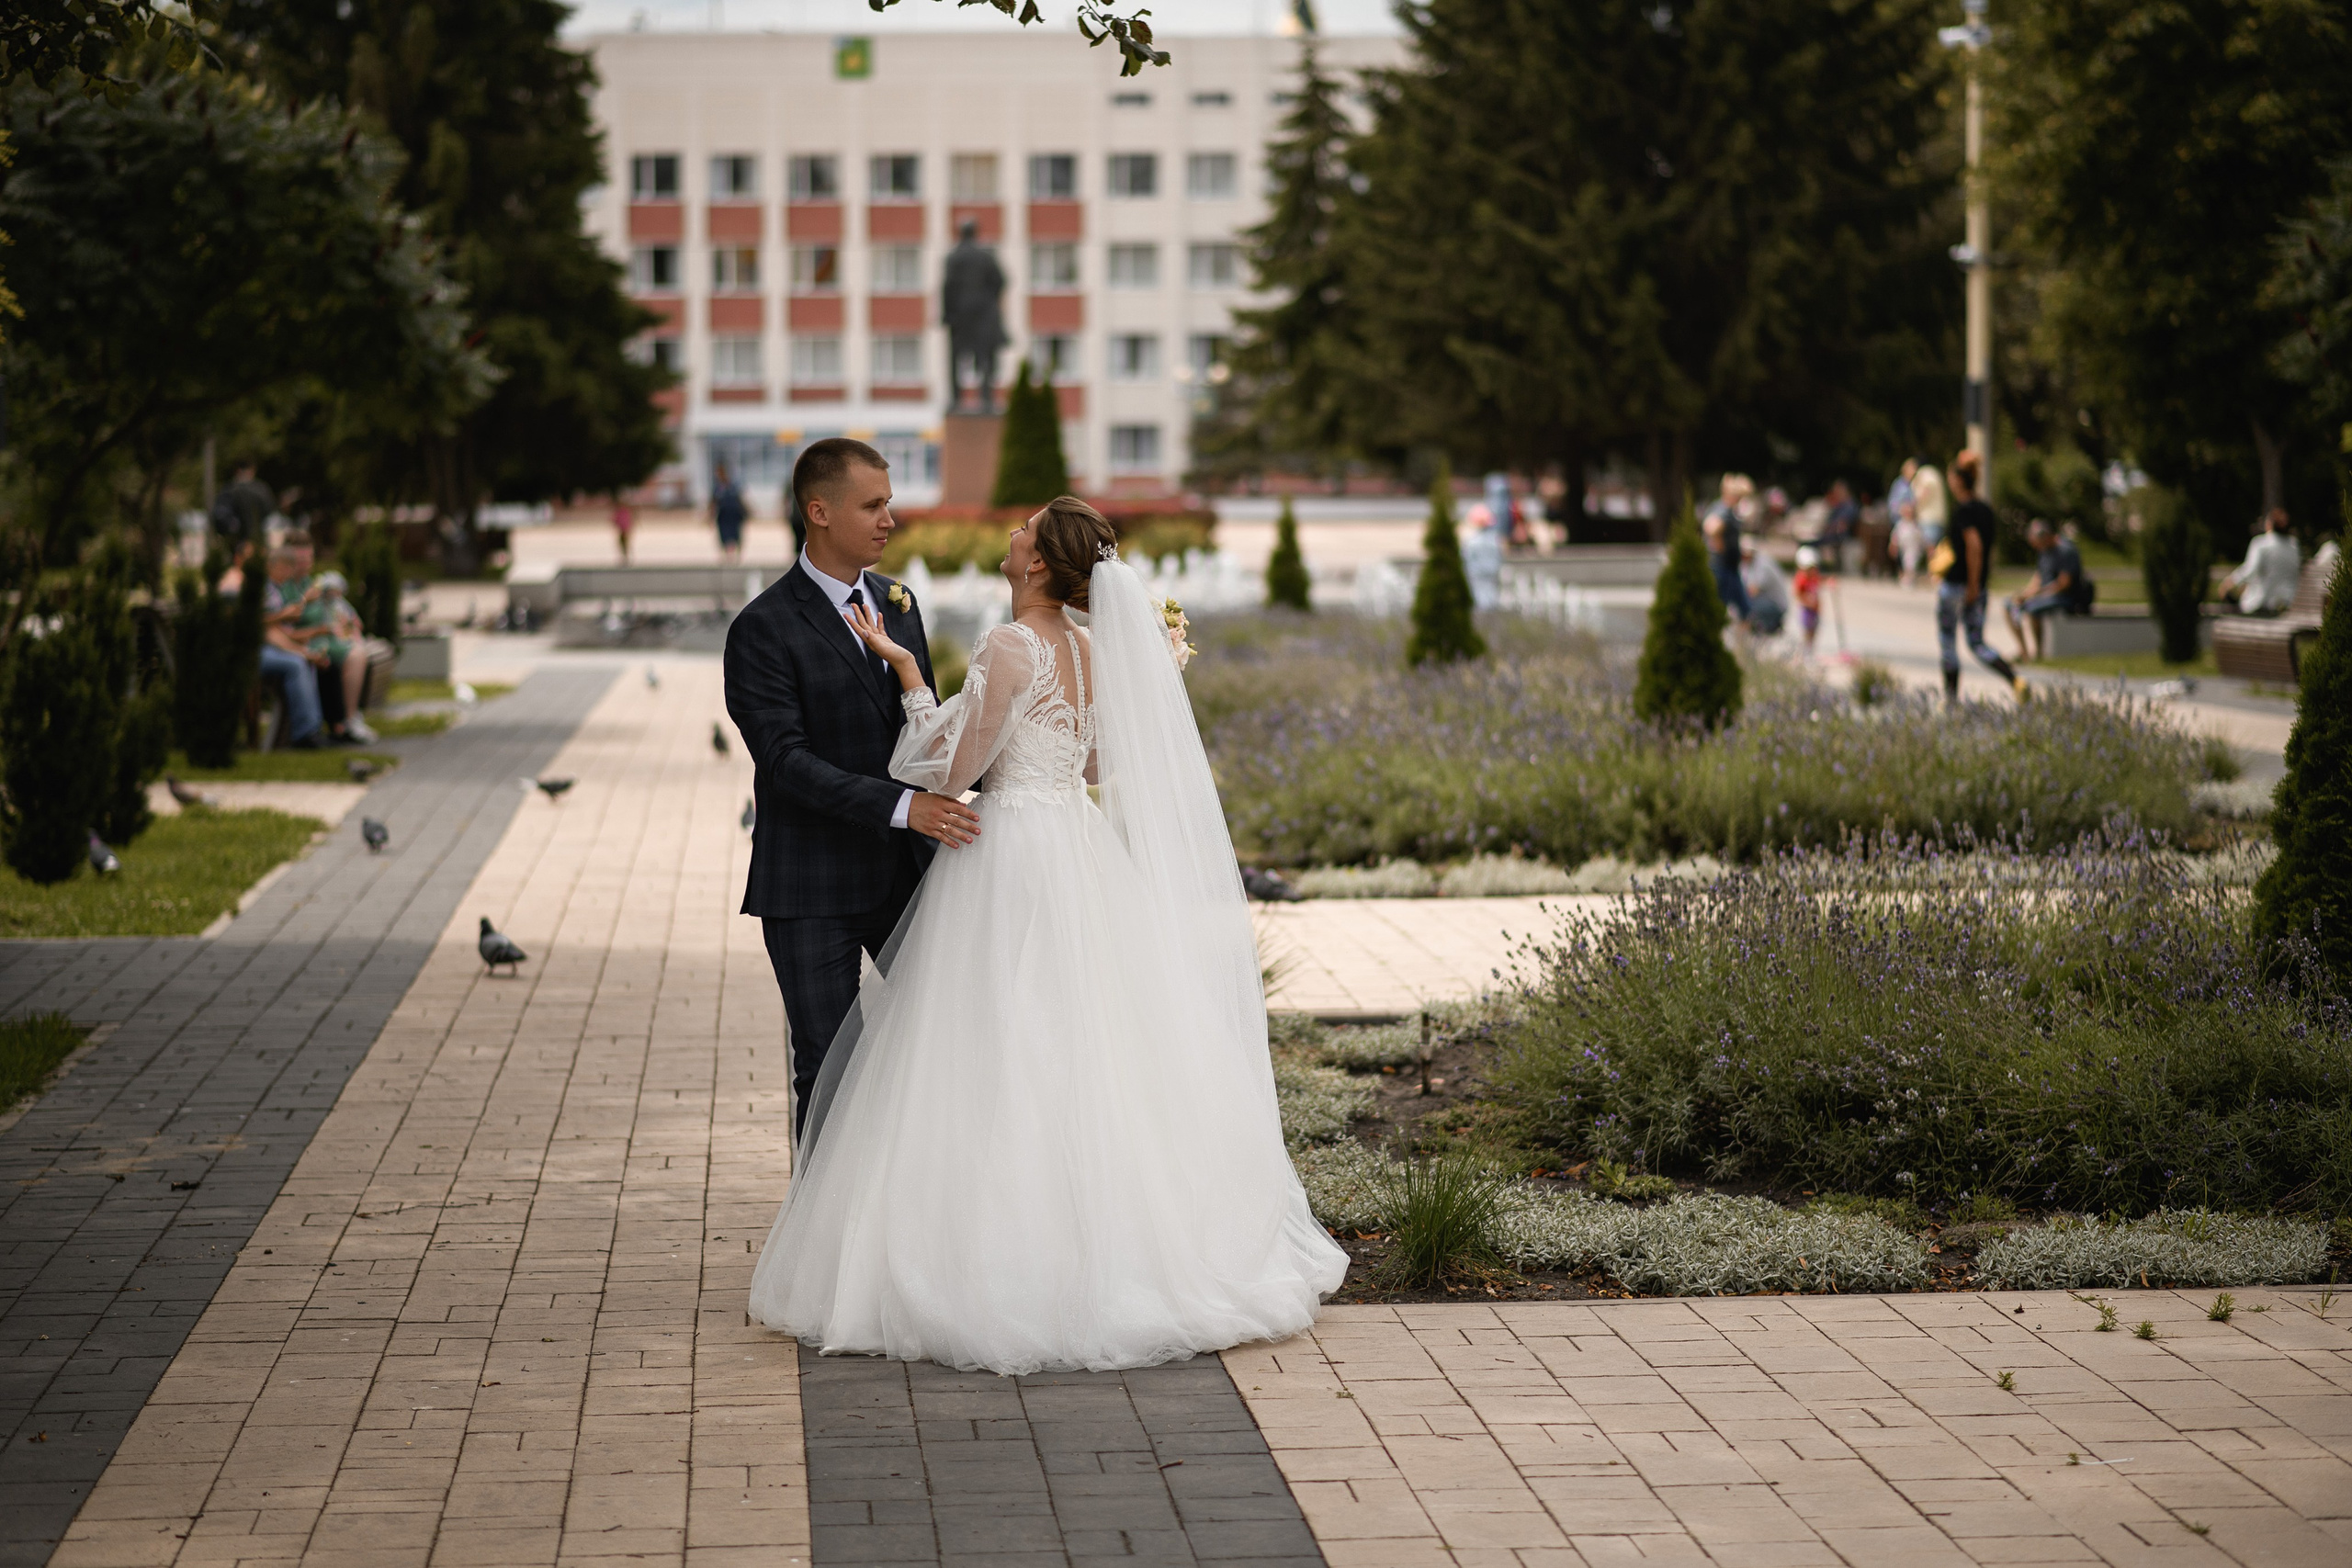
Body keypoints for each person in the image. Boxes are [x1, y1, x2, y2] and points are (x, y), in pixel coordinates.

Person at [747, 492, 1346, 1374]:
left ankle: (999, 1261)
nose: (1011, 534)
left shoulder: (1011, 643)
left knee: (993, 1045)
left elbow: (947, 768)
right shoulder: (1094, 647)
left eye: (1023, 529)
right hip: (1076, 842)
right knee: (1088, 1044)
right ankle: (1109, 1247)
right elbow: (1097, 759)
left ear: (1035, 565)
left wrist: (914, 685)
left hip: (1012, 855)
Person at [1937, 451, 2028, 704]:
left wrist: (1972, 585)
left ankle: (1951, 700)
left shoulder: (1963, 511)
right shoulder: (1986, 510)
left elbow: (1974, 547)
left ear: (1958, 480)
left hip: (1958, 586)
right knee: (1977, 643)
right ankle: (2015, 681)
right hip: (1979, 586)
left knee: (1948, 642)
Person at [2004, 519, 2089, 662]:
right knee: (2010, 606)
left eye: (2037, 544)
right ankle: (2024, 652)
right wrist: (2026, 594)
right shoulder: (2044, 551)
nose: (2037, 548)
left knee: (2033, 609)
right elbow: (2039, 576)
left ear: (2047, 537)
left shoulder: (2066, 550)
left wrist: (2038, 594)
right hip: (2046, 595)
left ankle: (2039, 652)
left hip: (2066, 597)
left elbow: (2064, 584)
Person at [2221, 508, 2301, 615]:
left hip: (2260, 604)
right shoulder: (2294, 545)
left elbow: (2250, 570)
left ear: (2269, 524)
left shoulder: (2261, 543)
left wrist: (2230, 582)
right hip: (2286, 604)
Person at [1702, 473, 1754, 626]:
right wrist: (1719, 546)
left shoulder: (1723, 508)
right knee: (1733, 610)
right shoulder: (1724, 510)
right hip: (1723, 568)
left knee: (1741, 609)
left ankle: (1739, 645)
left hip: (1728, 567)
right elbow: (1711, 527)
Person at [209, 460, 274, 557]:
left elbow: (220, 516)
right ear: (253, 470)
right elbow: (270, 512)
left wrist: (233, 530)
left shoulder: (229, 489)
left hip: (237, 541)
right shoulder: (261, 489)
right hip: (258, 538)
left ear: (238, 471)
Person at [1739, 536, 1790, 637]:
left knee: (1746, 606)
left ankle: (1757, 631)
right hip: (1765, 602)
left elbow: (1752, 591)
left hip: (1776, 605)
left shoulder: (1763, 565)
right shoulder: (1747, 565)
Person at [711, 463, 747, 565]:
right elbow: (714, 502)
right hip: (723, 515)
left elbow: (740, 499)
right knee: (724, 535)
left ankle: (737, 555)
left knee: (736, 535)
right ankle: (726, 556)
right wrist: (710, 516)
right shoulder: (718, 488)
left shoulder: (732, 486)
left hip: (734, 514)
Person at [1792, 545, 1826, 656]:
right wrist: (1807, 602)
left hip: (1815, 609)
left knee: (1814, 631)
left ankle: (1810, 651)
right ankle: (1805, 653)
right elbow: (1797, 594)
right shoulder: (1801, 579)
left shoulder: (1815, 577)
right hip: (1806, 610)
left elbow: (1820, 583)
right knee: (1806, 632)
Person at [1911, 458, 1949, 552]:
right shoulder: (1935, 473)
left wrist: (1913, 505)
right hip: (1940, 517)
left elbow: (1925, 491)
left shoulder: (1924, 473)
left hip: (1928, 518)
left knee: (1930, 549)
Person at [613, 496, 636, 565]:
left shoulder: (623, 512)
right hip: (623, 530)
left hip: (624, 531)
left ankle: (625, 558)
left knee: (624, 545)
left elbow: (617, 520)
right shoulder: (624, 512)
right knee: (623, 545)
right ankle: (625, 558)